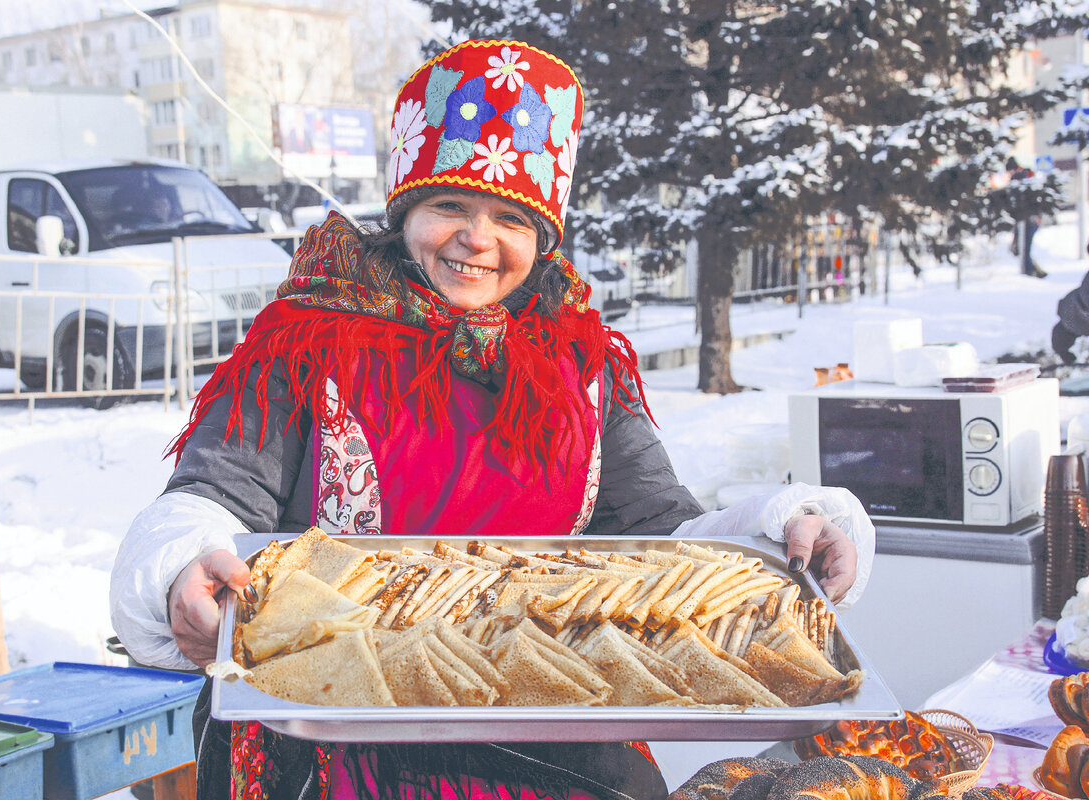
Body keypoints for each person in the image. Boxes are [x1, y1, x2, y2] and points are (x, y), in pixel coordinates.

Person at [110, 40, 874, 800]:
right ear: (407, 211)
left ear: (540, 240)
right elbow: (216, 493)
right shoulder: (310, 342)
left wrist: (779, 537)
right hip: (337, 752)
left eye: (510, 218)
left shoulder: (584, 366)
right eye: (450, 206)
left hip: (558, 745)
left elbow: (663, 531)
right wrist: (183, 561)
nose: (477, 239)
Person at [1007, 157, 1046, 278]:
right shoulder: (1029, 175)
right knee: (1025, 245)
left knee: (1024, 246)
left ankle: (1029, 269)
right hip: (1032, 218)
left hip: (1026, 219)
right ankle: (1031, 268)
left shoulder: (1018, 178)